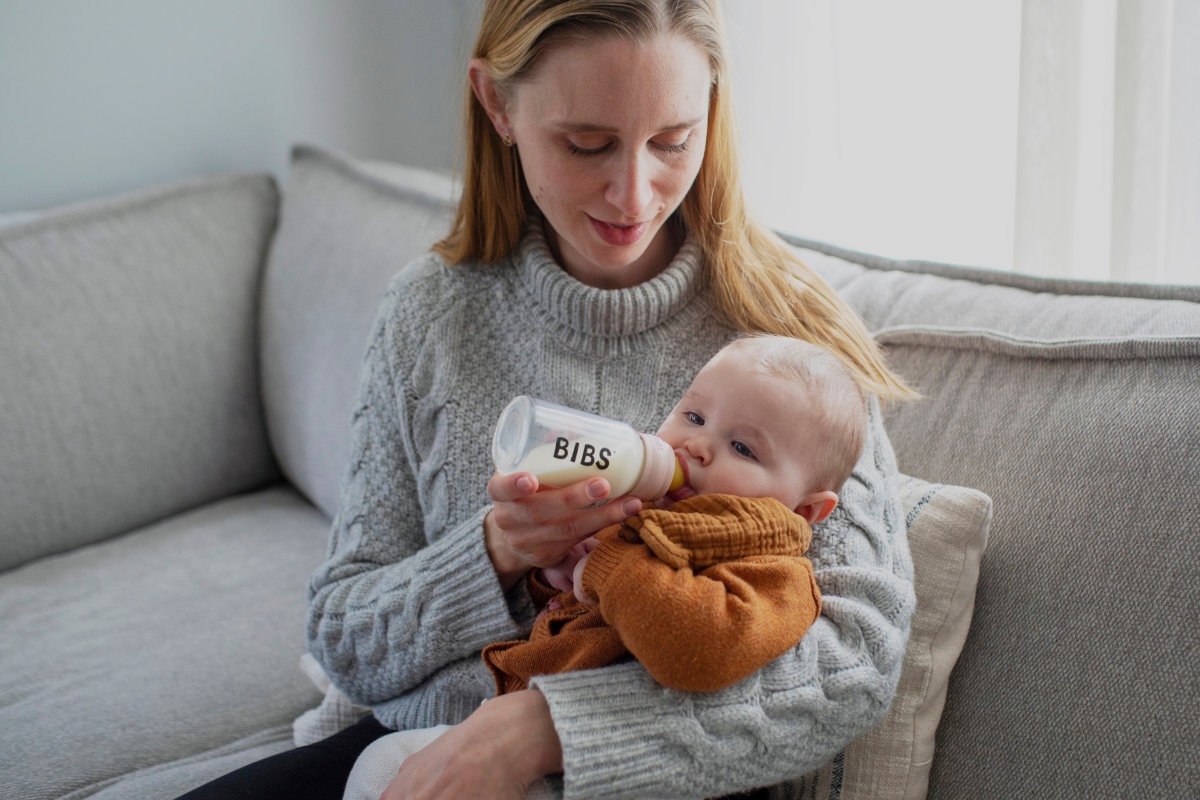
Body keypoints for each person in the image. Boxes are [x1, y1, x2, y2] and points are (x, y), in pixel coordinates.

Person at [178, 1, 916, 798]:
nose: (634, 193)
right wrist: (496, 553)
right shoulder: (429, 315)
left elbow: (857, 659)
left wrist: (548, 729)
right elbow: (343, 637)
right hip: (414, 738)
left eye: (673, 141)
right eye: (586, 143)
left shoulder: (788, 339)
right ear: (497, 104)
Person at [341, 334, 866, 800]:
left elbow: (698, 649)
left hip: (619, 770)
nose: (697, 446)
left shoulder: (773, 573)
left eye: (743, 447)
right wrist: (552, 576)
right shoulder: (645, 516)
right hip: (526, 733)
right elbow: (580, 620)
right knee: (385, 764)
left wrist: (610, 565)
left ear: (804, 511)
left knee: (385, 766)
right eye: (695, 417)